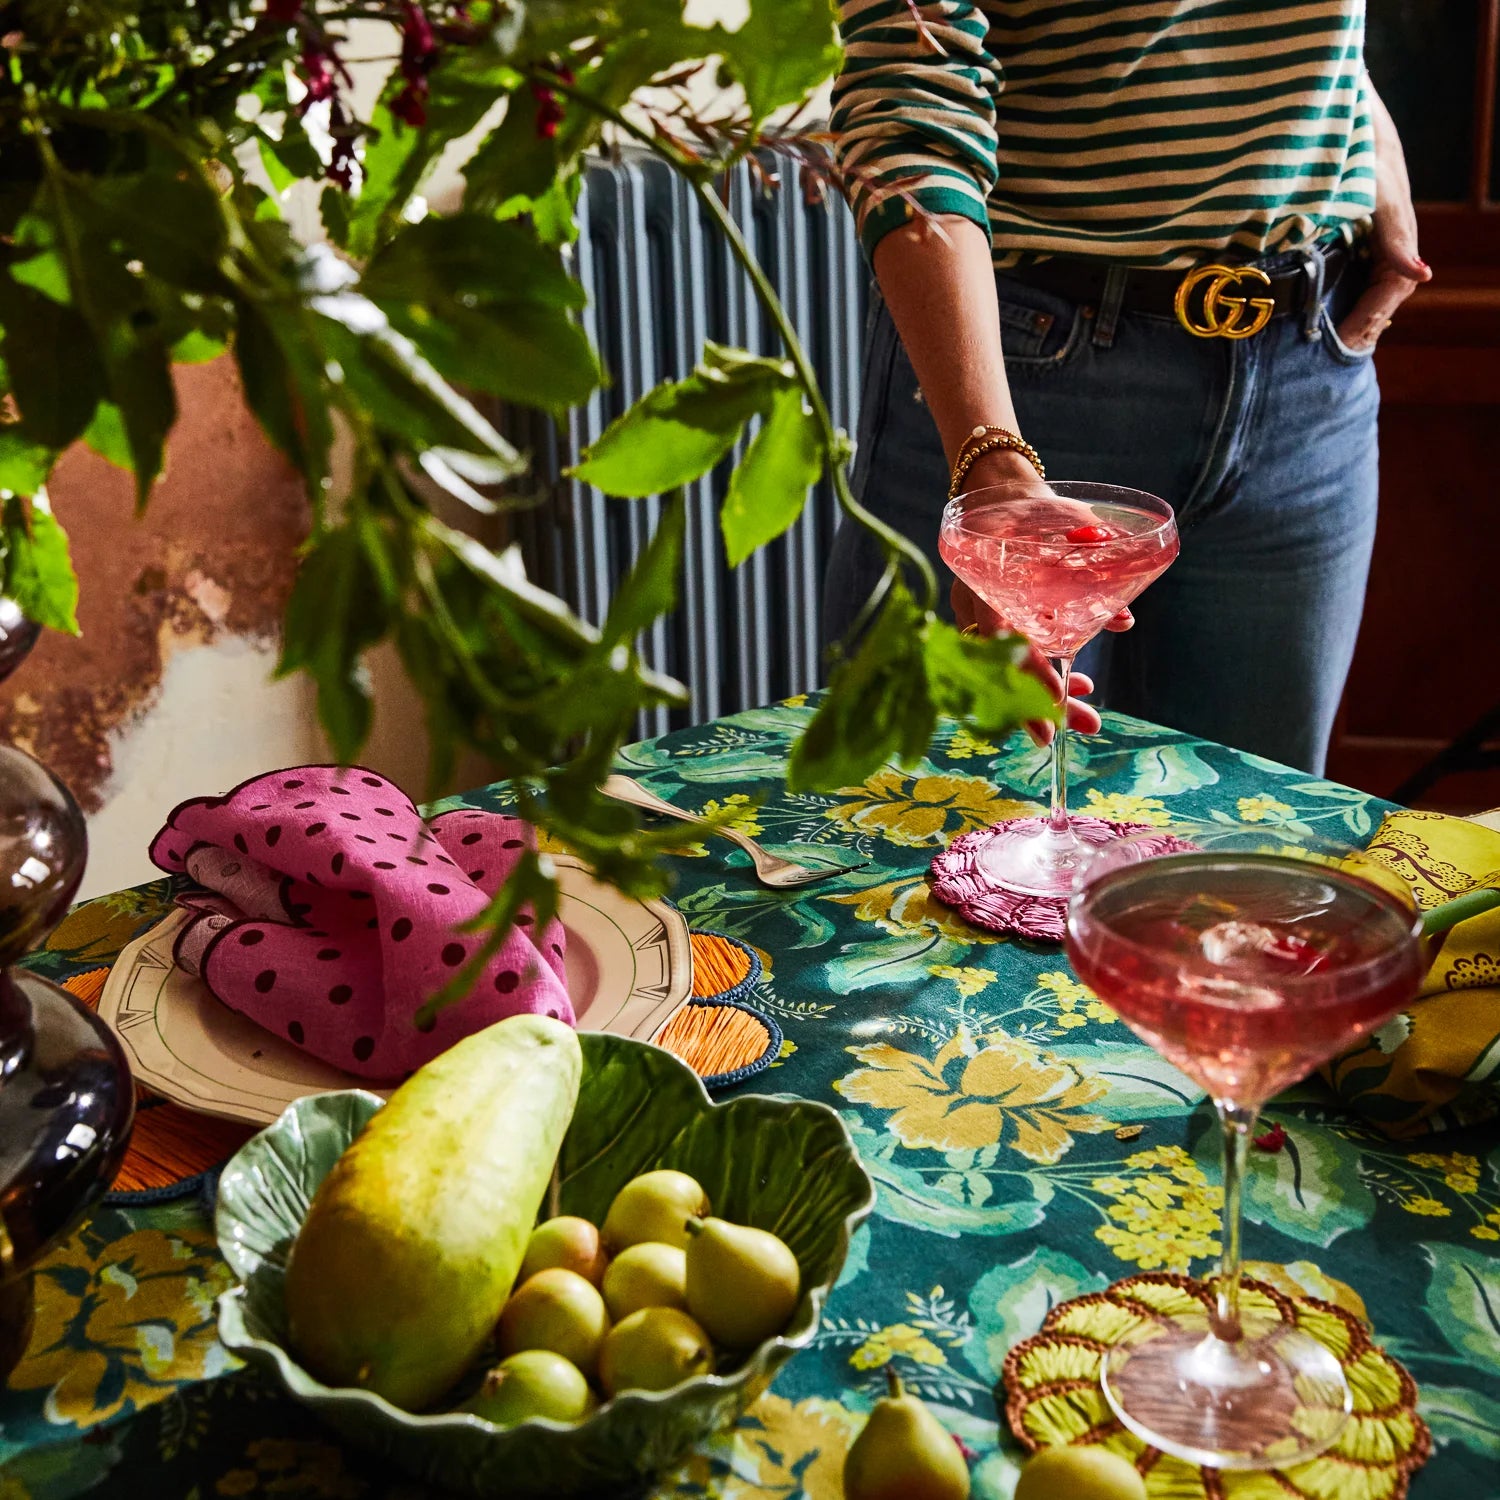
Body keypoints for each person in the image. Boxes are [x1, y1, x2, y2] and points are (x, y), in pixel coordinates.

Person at [823, 0, 1429, 775]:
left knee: (1238, 860)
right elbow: (907, 97)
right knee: (932, 840)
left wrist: (1378, 158)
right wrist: (991, 458)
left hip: (1307, 376)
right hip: (1024, 379)